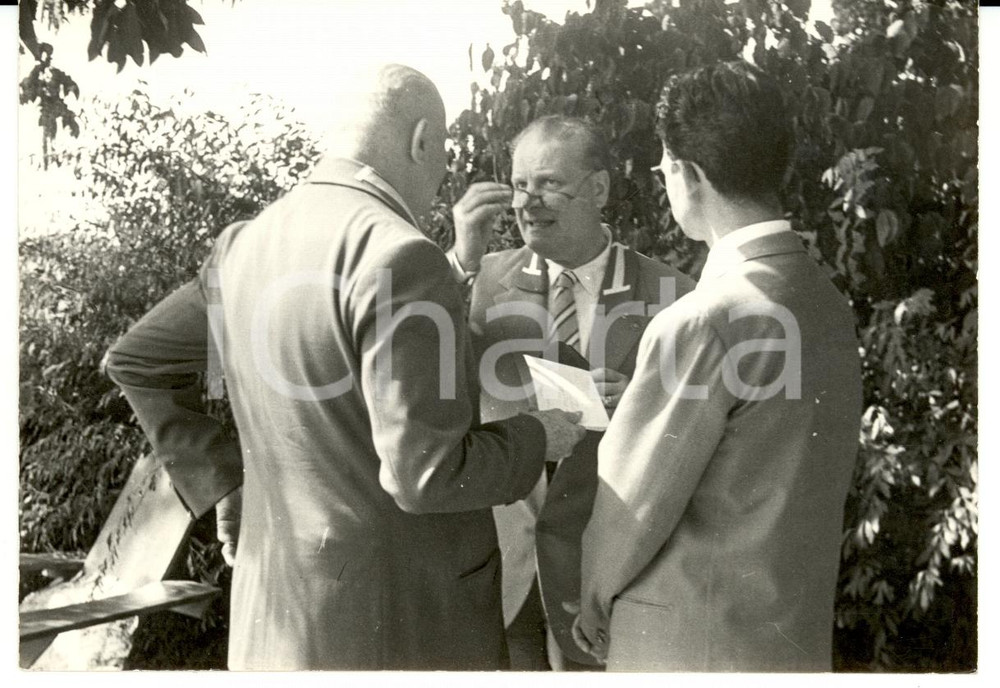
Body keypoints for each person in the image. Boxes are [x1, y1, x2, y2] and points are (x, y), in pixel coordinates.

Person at [103, 64, 586, 670]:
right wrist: (542, 433)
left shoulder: (241, 246)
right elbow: (428, 476)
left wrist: (225, 482)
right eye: (439, 161)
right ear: (420, 142)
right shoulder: (401, 254)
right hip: (401, 630)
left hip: (273, 627)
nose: (436, 185)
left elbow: (138, 362)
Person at [572, 61, 863, 671]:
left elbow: (629, 509)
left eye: (663, 169)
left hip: (685, 648)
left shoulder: (704, 320)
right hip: (789, 644)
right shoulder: (827, 304)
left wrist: (593, 602)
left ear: (689, 173)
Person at [447, 115, 694, 670]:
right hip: (500, 574)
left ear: (599, 189)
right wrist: (460, 259)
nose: (528, 201)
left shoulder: (672, 292)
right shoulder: (480, 277)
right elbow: (411, 354)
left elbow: (696, 441)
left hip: (605, 581)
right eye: (518, 185)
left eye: (549, 183)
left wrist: (640, 403)